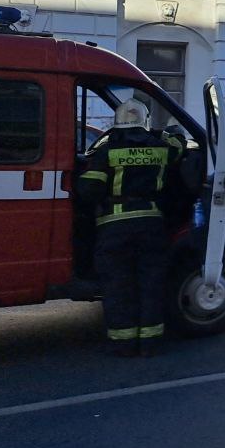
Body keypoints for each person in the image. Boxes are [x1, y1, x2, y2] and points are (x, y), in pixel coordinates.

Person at [76, 99, 184, 357]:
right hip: (151, 224)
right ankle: (150, 343)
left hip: (114, 227)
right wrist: (171, 131)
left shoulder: (106, 151)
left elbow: (89, 189)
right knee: (151, 283)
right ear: (144, 122)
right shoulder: (160, 149)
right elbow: (179, 147)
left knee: (118, 285)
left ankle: (123, 343)